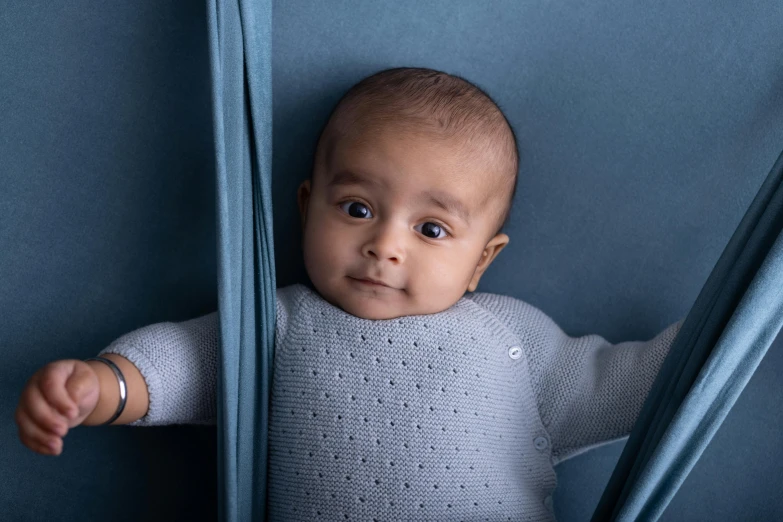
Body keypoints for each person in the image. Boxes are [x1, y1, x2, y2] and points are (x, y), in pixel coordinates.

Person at [15, 67, 682, 521]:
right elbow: (185, 364)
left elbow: (622, 384)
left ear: (480, 262)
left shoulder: (509, 336)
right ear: (308, 209)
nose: (386, 246)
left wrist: (737, 328)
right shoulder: (278, 322)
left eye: (430, 228)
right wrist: (101, 388)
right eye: (358, 209)